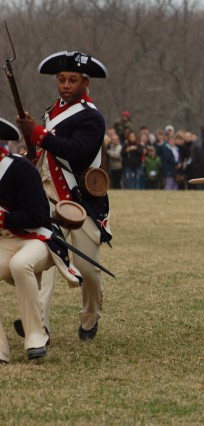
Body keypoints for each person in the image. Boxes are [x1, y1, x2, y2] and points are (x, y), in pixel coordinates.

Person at [16, 50, 112, 341]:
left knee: (87, 268)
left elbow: (78, 152)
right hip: (48, 196)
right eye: (61, 79)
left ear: (85, 83)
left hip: (81, 201)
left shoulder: (92, 118)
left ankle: (90, 316)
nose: (66, 85)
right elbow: (49, 151)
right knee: (46, 258)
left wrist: (40, 135)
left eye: (72, 80)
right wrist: (32, 151)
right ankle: (39, 324)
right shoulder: (51, 110)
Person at [0, 118, 82, 362]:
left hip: (38, 239)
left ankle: (36, 337)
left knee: (20, 264)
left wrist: (4, 218)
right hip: (5, 242)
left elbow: (38, 215)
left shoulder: (19, 168)